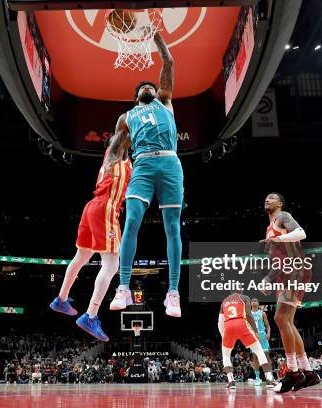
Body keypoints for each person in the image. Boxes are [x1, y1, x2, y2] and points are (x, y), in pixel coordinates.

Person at [107, 30, 184, 317]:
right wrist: (109, 166)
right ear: (137, 95)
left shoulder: (164, 102)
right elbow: (117, 146)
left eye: (153, 86)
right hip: (142, 165)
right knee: (131, 223)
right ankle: (123, 288)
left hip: (169, 163)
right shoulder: (126, 117)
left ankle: (173, 293)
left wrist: (158, 40)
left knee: (172, 227)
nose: (150, 87)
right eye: (145, 87)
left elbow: (170, 64)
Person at [49, 135, 132, 342]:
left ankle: (61, 299)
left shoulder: (113, 160)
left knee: (82, 255)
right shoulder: (119, 159)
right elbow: (125, 133)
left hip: (92, 208)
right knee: (111, 265)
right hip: (106, 210)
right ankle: (91, 315)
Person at [259, 193, 320, 392]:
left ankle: (293, 372)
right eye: (266, 198)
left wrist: (279, 238)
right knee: (287, 321)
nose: (267, 200)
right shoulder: (269, 229)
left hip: (295, 269)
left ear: (280, 203)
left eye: (272, 197)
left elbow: (301, 233)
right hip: (286, 271)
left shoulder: (282, 216)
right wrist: (267, 279)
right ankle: (308, 372)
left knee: (280, 318)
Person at [217, 291, 274, 390]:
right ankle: (269, 379)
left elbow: (220, 321)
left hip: (228, 326)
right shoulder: (244, 297)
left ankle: (231, 382)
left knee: (226, 355)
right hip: (241, 324)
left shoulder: (224, 301)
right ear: (240, 292)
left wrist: (223, 334)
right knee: (259, 351)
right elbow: (248, 314)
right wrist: (255, 331)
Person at [250, 298, 276, 387]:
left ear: (258, 303)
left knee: (266, 356)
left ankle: (270, 375)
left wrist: (268, 333)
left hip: (262, 336)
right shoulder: (248, 314)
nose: (254, 302)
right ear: (250, 303)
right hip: (253, 337)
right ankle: (257, 377)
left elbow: (268, 325)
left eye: (255, 301)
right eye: (252, 301)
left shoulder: (262, 313)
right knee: (255, 357)